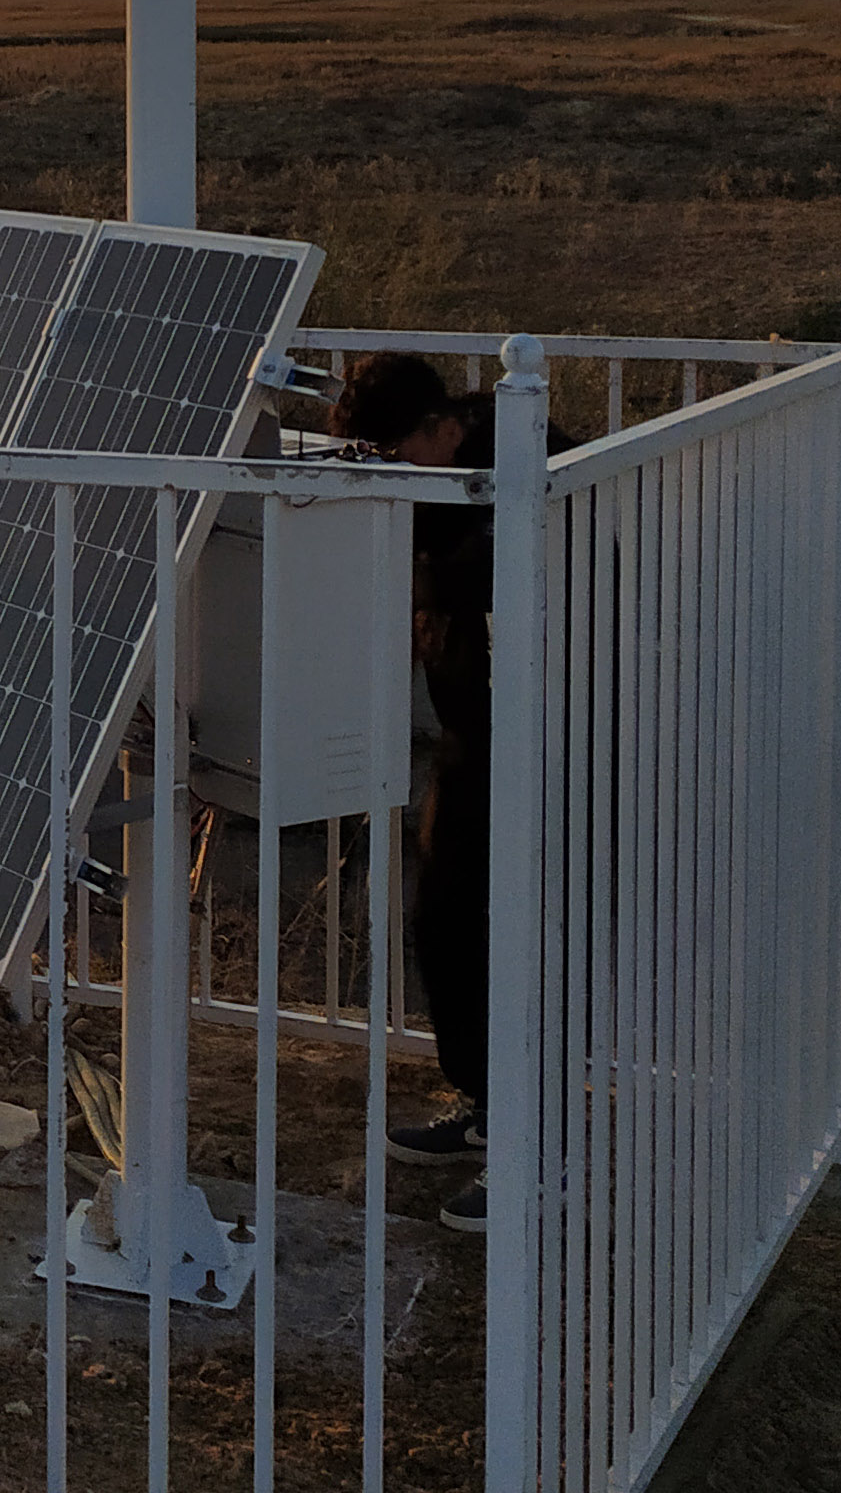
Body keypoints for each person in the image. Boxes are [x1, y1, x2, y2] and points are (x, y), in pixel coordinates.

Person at [334, 351, 496, 1235]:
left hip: (548, 725)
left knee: (520, 930)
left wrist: (419, 582)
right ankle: (483, 1104)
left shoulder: (526, 452)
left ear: (440, 429)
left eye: (399, 459)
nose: (394, 482)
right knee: (443, 910)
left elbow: (492, 561)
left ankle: (535, 1145)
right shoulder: (436, 464)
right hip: (471, 726)